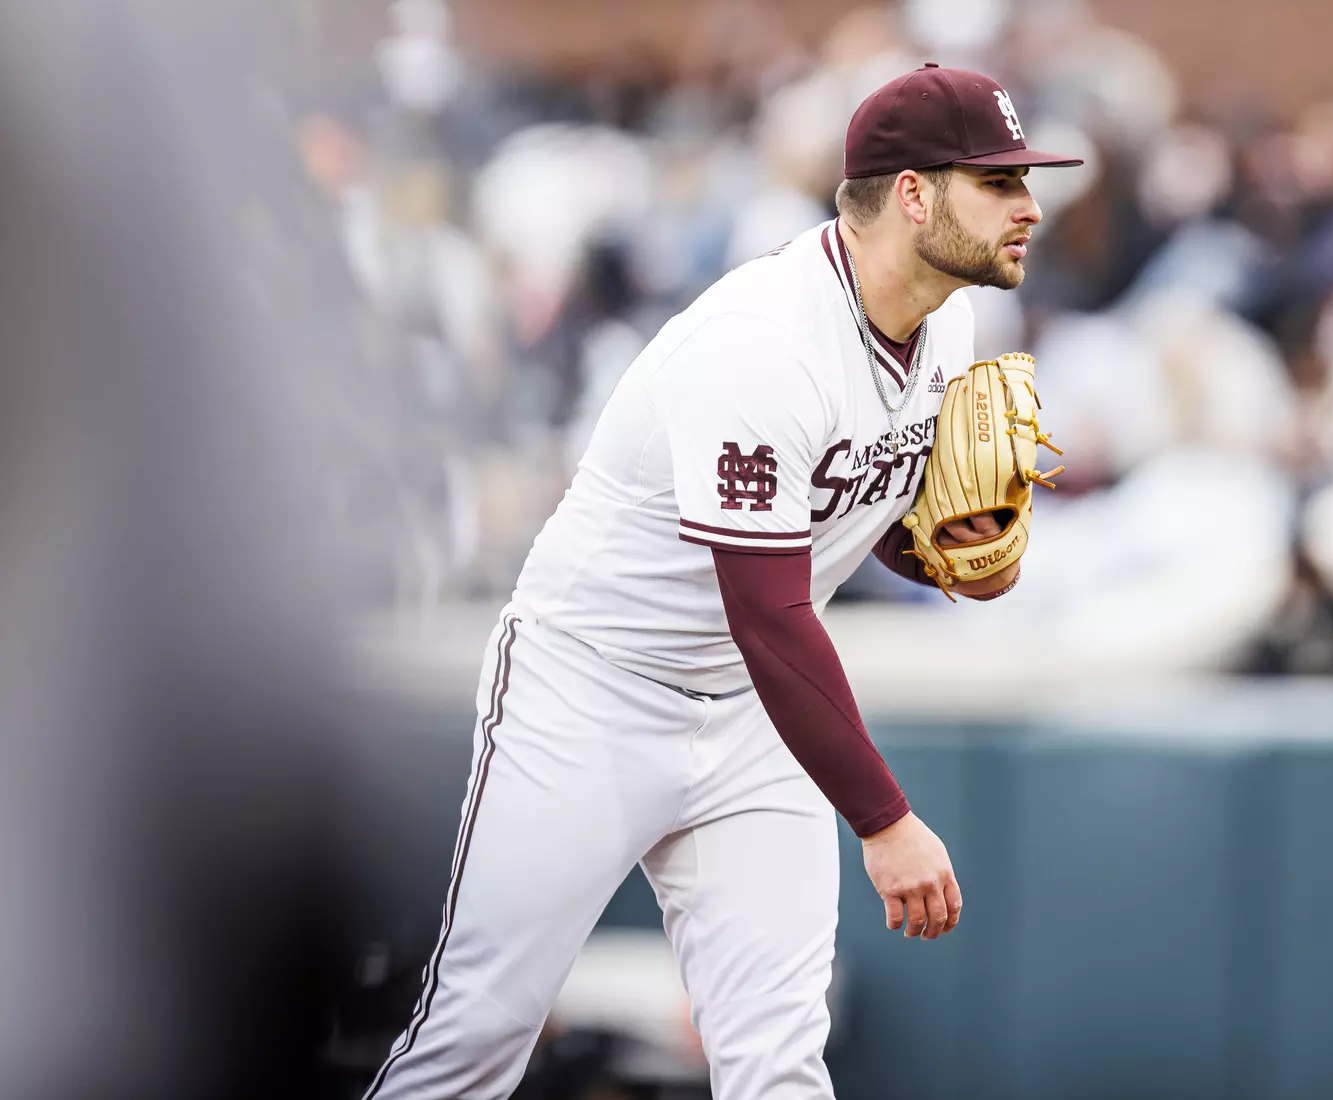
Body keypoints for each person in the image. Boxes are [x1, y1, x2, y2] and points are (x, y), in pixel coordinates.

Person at [365, 64, 1082, 1100]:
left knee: (780, 1063)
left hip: (749, 714)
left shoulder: (949, 318)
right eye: (998, 181)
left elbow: (835, 506)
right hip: (589, 690)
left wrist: (923, 540)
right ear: (915, 195)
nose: (1029, 206)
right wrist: (883, 819)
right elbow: (771, 613)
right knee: (477, 1032)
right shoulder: (759, 344)